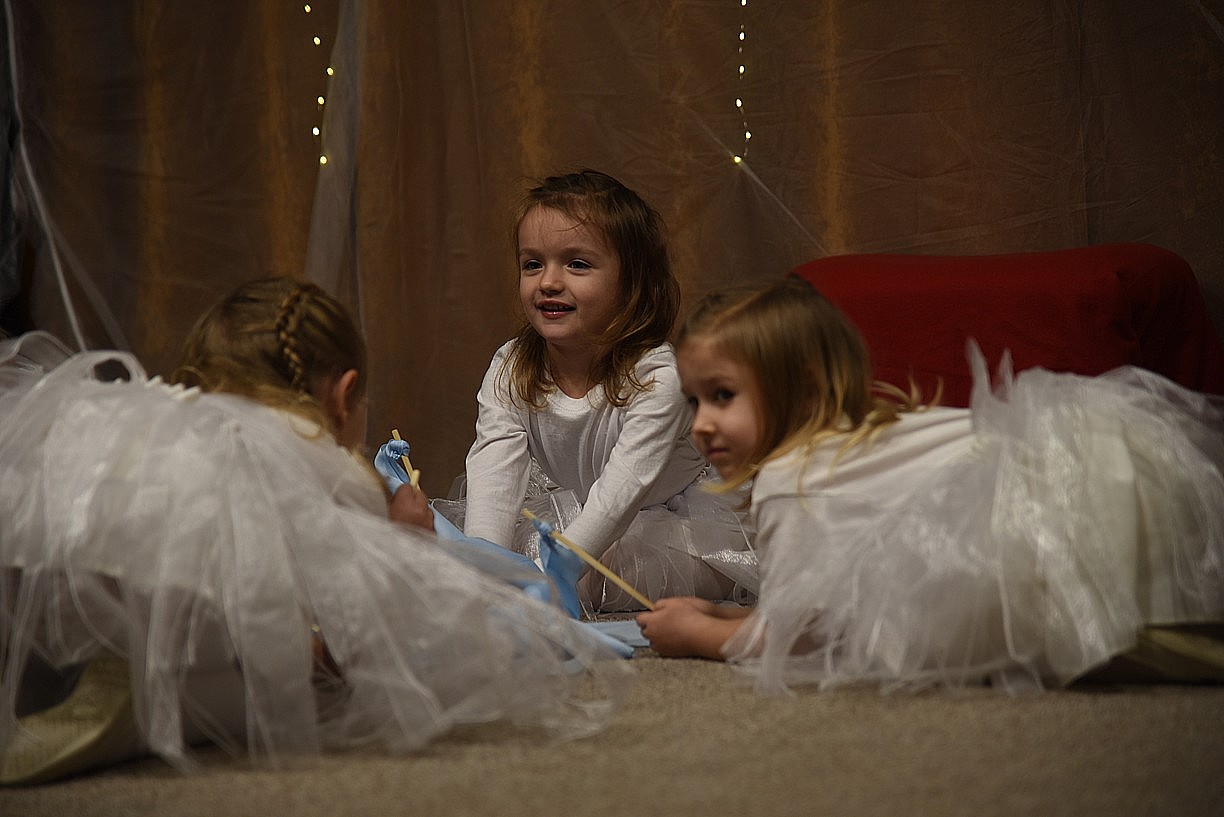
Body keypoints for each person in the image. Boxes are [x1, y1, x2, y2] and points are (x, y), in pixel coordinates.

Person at [0, 278, 629, 786]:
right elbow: (366, 639)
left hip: (45, 567)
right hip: (161, 614)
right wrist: (408, 546)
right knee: (318, 682)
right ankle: (147, 694)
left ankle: (88, 663)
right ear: (344, 396)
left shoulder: (152, 423)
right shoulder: (308, 456)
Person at [637, 276, 1224, 693]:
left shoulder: (791, 478)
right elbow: (819, 613)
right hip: (1100, 465)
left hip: (1064, 516)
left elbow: (800, 642)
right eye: (694, 400)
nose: (701, 423)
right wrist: (723, 612)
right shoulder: (840, 445)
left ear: (805, 389)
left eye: (722, 396)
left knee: (1125, 636)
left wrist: (698, 635)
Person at [454, 169, 754, 613]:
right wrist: (485, 567)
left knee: (602, 577)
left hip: (676, 514)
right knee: (489, 559)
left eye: (577, 264)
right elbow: (495, 468)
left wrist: (562, 566)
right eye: (532, 264)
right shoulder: (511, 367)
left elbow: (625, 487)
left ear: (632, 284)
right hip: (584, 509)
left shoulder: (657, 376)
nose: (548, 281)